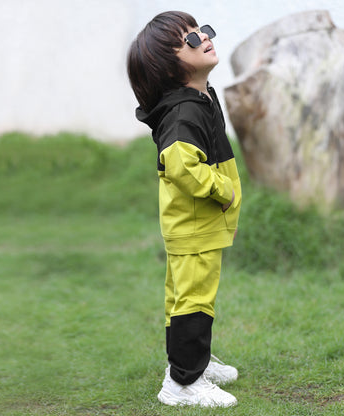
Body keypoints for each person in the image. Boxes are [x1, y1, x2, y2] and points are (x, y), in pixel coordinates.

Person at [127, 11, 242, 407]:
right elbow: (181, 164)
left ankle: (192, 365)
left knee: (184, 298)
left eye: (202, 31)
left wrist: (225, 211)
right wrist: (223, 191)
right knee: (194, 301)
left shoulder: (200, 97)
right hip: (194, 224)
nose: (203, 38)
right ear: (169, 68)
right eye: (190, 39)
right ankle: (183, 383)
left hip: (199, 223)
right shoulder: (184, 112)